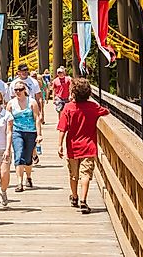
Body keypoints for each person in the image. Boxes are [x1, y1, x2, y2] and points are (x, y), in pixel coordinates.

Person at [56, 77, 109, 215]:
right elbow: (106, 112)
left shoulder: (68, 108)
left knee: (73, 174)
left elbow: (63, 128)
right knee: (85, 174)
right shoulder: (93, 107)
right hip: (89, 146)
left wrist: (59, 145)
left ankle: (74, 197)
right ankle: (84, 201)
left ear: (73, 92)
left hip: (73, 147)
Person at [7, 81, 41, 191]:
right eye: (16, 90)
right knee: (18, 154)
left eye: (20, 89)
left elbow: (37, 119)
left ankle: (29, 177)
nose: (18, 92)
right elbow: (8, 121)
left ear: (25, 90)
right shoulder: (11, 104)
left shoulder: (32, 102)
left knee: (27, 157)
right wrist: (7, 134)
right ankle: (19, 183)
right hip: (17, 132)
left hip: (31, 132)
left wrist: (39, 134)